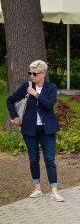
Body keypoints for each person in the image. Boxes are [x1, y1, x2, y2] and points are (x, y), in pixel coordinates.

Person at [6, 60, 64, 202]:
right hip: (30, 130)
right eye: (30, 73)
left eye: (34, 73)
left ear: (43, 74)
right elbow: (10, 100)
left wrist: (36, 95)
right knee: (33, 159)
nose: (31, 75)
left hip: (47, 130)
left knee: (50, 159)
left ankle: (54, 191)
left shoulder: (51, 87)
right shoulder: (26, 86)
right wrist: (14, 117)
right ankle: (37, 188)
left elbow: (49, 105)